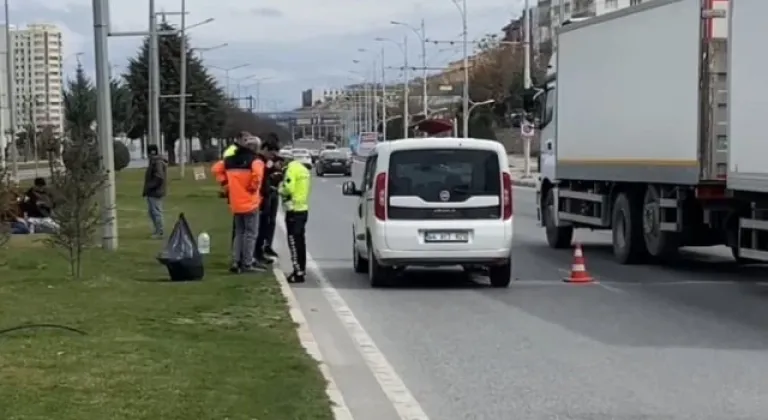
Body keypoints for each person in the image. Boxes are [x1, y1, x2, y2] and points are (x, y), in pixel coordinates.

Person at [212, 137, 267, 273]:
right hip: (250, 202)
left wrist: (225, 183)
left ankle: (236, 261)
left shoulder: (230, 160)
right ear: (255, 148)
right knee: (250, 233)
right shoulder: (255, 161)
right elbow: (257, 177)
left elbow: (215, 169)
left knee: (239, 232)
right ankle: (247, 263)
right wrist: (252, 188)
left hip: (236, 201)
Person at [279, 155, 311, 283]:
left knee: (293, 242)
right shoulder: (303, 169)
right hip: (302, 208)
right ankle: (301, 269)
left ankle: (297, 272)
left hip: (293, 210)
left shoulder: (291, 169)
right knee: (300, 242)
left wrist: (279, 189)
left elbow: (288, 188)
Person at [254, 134, 283, 264]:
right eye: (271, 153)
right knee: (260, 226)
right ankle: (257, 252)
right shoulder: (259, 161)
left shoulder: (268, 161)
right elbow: (261, 177)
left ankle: (264, 248)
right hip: (261, 197)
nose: (273, 156)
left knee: (268, 223)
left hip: (269, 193)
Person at [142, 144, 167, 238]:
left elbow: (159, 177)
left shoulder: (157, 162)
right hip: (154, 191)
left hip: (155, 192)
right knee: (152, 212)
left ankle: (160, 232)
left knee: (156, 212)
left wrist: (150, 186)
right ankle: (157, 230)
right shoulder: (155, 161)